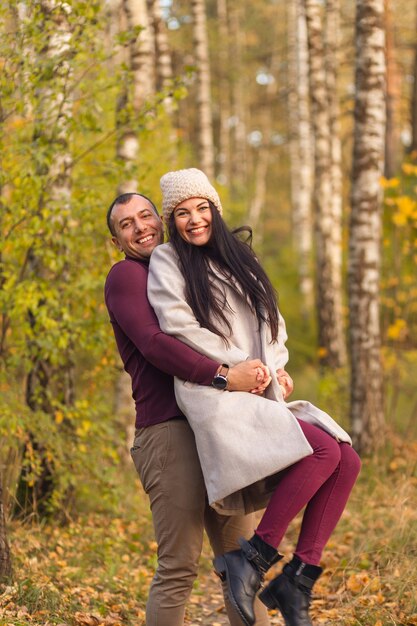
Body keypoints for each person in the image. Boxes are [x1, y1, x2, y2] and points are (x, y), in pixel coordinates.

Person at [147, 169, 362, 626]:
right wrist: (237, 366)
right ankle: (255, 557)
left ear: (215, 209)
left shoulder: (238, 256)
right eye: (182, 213)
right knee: (321, 449)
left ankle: (298, 578)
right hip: (216, 391)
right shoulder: (168, 260)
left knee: (348, 459)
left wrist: (276, 366)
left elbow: (271, 319)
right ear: (171, 221)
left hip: (258, 388)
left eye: (202, 208)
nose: (194, 220)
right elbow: (177, 325)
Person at [104, 191, 276, 626]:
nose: (140, 226)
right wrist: (225, 375)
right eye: (126, 224)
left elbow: (240, 328)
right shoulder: (127, 276)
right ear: (117, 240)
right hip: (169, 431)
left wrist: (272, 370)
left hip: (218, 426)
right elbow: (156, 344)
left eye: (146, 216)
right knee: (179, 564)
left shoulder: (187, 268)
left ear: (161, 221)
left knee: (243, 563)